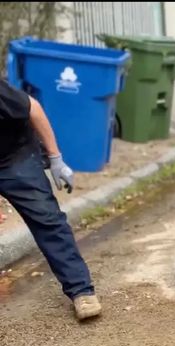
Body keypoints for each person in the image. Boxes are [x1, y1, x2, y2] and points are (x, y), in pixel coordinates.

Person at [0, 78, 101, 320]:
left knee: (47, 220)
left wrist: (55, 159)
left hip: (15, 156)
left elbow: (33, 108)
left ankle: (81, 290)